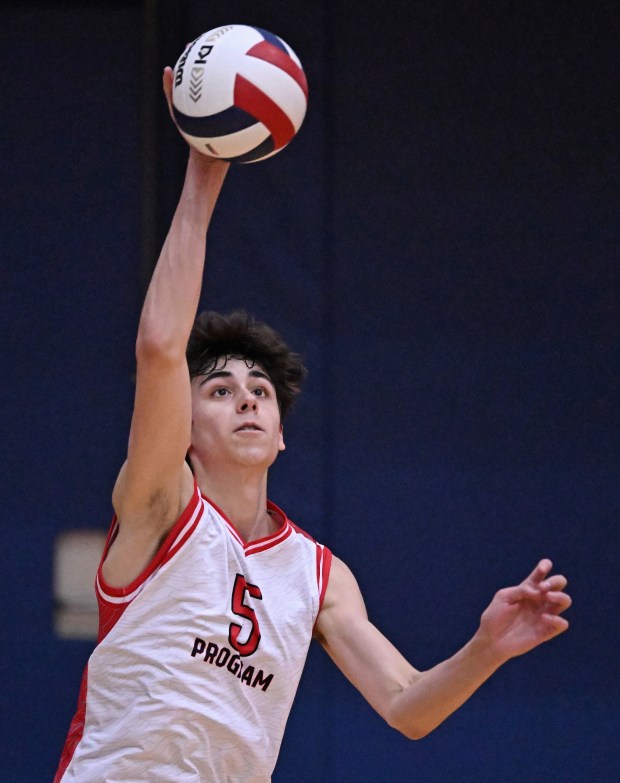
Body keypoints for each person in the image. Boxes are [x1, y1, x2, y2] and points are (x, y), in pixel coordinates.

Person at [54, 67, 571, 783]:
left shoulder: (318, 575)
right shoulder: (159, 502)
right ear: (186, 424)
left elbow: (406, 706)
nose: (245, 400)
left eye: (260, 390)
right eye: (221, 389)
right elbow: (159, 348)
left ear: (282, 433)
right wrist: (205, 175)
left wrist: (485, 647)